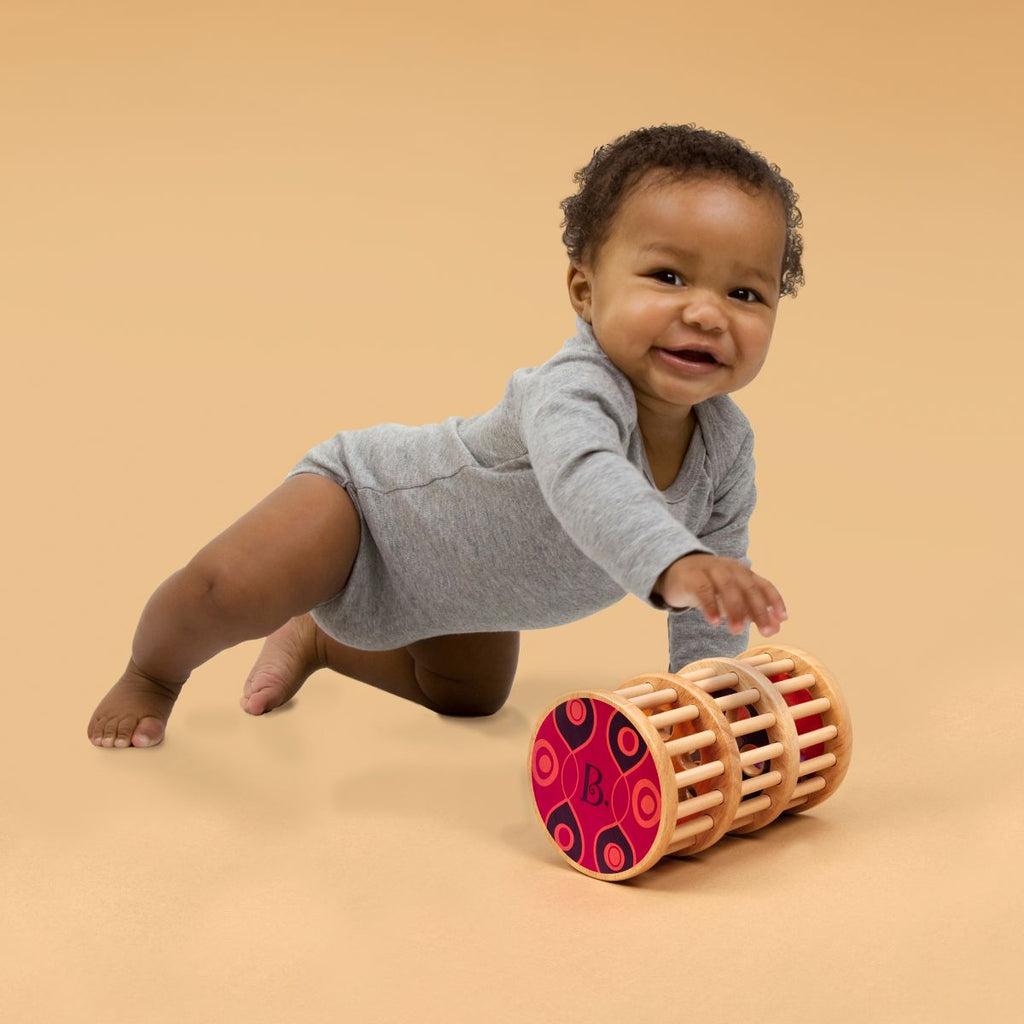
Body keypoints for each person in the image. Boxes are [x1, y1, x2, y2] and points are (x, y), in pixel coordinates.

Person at [87, 123, 804, 749]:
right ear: (585, 291)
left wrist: (704, 701)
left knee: (470, 700)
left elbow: (719, 588)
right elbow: (589, 480)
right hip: (370, 512)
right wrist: (676, 562)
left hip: (474, 590)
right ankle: (151, 672)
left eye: (745, 293)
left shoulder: (726, 446)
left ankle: (320, 640)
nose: (708, 314)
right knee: (224, 592)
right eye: (669, 275)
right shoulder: (572, 391)